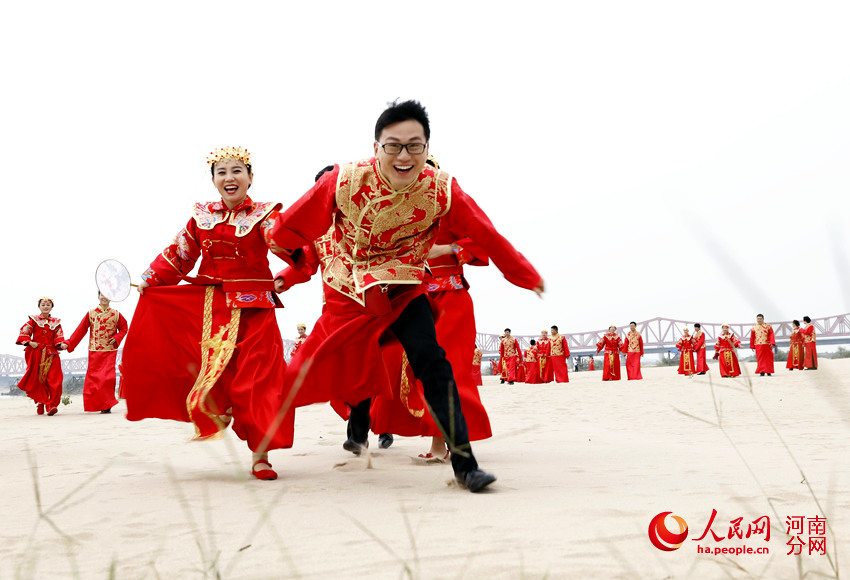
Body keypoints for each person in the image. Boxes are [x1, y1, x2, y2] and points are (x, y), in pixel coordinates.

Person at [267, 100, 544, 492]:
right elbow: (292, 229)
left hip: (405, 286)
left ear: (427, 149)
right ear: (376, 146)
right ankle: (293, 423)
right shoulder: (342, 180)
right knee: (321, 369)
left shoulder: (441, 189)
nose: (404, 155)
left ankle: (465, 464)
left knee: (433, 361)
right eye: (393, 145)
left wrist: (522, 273)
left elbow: (485, 233)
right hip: (350, 293)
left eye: (415, 145)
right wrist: (284, 263)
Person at [121, 146, 294, 480]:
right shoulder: (201, 217)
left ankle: (261, 456)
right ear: (214, 180)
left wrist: (294, 259)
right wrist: (150, 280)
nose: (230, 178)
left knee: (259, 381)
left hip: (255, 309)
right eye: (222, 172)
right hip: (211, 309)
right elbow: (179, 253)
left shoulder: (266, 214)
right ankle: (219, 409)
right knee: (205, 370)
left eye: (236, 171)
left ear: (250, 177)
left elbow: (283, 242)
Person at [65, 291, 128, 413]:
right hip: (95, 351)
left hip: (110, 350)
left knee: (107, 378)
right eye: (102, 295)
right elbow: (81, 330)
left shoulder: (116, 314)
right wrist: (69, 343)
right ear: (98, 297)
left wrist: (116, 338)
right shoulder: (91, 313)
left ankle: (106, 405)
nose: (104, 297)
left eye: (107, 295)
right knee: (95, 379)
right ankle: (98, 404)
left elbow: (124, 328)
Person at [16, 298, 68, 415]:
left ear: (52, 306)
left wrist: (61, 344)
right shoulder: (33, 320)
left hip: (52, 354)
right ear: (39, 306)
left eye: (48, 304)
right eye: (43, 305)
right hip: (37, 353)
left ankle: (51, 405)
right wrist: (30, 342)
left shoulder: (56, 322)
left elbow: (59, 336)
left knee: (55, 380)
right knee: (39, 379)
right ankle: (41, 403)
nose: (45, 306)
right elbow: (24, 332)